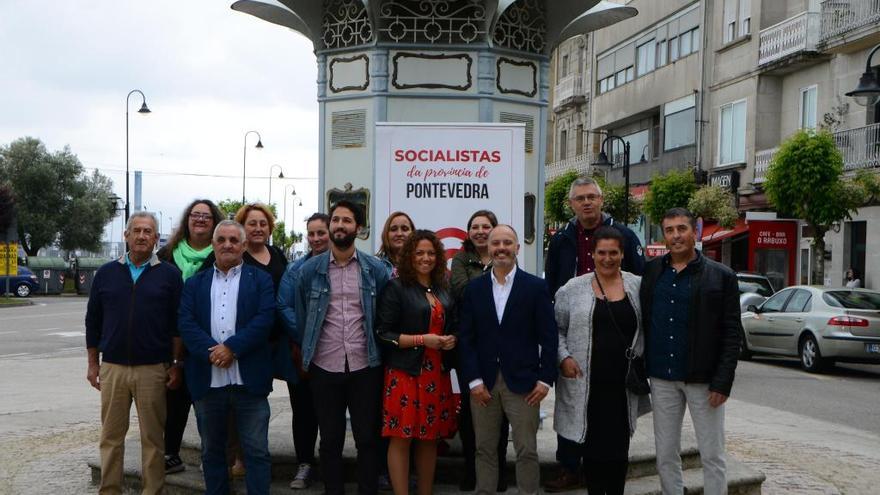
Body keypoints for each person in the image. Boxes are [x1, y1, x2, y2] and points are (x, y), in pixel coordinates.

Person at [282, 200, 392, 495]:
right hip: (324, 366)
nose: (340, 225)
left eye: (347, 220)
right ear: (330, 226)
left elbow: (383, 315)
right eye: (336, 220)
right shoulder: (310, 271)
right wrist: (308, 356)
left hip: (365, 365)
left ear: (358, 228)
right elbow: (303, 317)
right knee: (330, 440)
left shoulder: (375, 269)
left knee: (367, 438)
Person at [544, 177, 645, 492]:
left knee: (614, 449)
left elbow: (645, 314)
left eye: (592, 197)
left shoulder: (628, 245)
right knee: (578, 426)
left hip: (620, 377)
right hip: (579, 359)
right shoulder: (562, 239)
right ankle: (570, 467)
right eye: (580, 198)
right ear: (572, 204)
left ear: (601, 200)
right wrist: (562, 356)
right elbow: (554, 312)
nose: (586, 203)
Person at [640, 208, 741, 495]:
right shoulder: (652, 271)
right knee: (665, 454)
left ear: (694, 231)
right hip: (662, 377)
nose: (675, 235)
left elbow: (732, 333)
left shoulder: (721, 276)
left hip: (705, 381)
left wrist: (723, 381)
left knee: (712, 455)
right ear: (664, 234)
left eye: (681, 228)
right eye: (669, 230)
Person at [85, 212, 184, 495]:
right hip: (113, 367)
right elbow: (93, 322)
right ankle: (110, 490)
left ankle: (152, 491)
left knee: (152, 438)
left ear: (156, 238)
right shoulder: (106, 273)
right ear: (125, 235)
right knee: (111, 437)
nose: (142, 236)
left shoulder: (169, 275)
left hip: (153, 369)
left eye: (148, 231)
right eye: (136, 231)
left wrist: (176, 364)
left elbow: (177, 326)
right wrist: (93, 364)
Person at [458, 225, 557, 495]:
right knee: (485, 449)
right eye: (496, 243)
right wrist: (473, 380)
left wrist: (545, 379)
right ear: (488, 249)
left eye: (507, 242)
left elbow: (549, 338)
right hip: (484, 384)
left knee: (526, 449)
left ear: (516, 248)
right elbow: (466, 340)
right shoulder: (474, 289)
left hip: (524, 383)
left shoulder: (536, 287)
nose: (501, 248)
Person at [178, 220, 276, 494]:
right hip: (208, 383)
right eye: (221, 240)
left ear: (244, 246)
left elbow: (265, 319)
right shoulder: (195, 283)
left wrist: (232, 348)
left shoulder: (261, 280)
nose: (227, 245)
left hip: (250, 382)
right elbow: (186, 323)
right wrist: (212, 352)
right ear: (213, 244)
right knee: (212, 452)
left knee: (256, 452)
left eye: (234, 240)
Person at [376, 230, 459, 495]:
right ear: (410, 256)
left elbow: (452, 324)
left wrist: (451, 339)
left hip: (436, 374)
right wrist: (423, 340)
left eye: (431, 253)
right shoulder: (396, 287)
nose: (426, 258)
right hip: (405, 374)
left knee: (429, 439)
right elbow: (383, 333)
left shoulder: (442, 288)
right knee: (401, 438)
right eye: (419, 253)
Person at [157, 199, 224, 474]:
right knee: (173, 398)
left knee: (207, 403)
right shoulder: (166, 254)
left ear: (214, 222)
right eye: (195, 215)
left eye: (206, 216)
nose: (200, 220)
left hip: (205, 339)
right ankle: (170, 453)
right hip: (169, 336)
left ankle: (213, 459)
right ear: (187, 220)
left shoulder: (220, 253)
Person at [220, 203, 288, 477]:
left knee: (258, 398)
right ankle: (237, 457)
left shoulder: (278, 255)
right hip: (239, 345)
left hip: (272, 341)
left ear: (270, 228)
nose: (258, 228)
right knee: (236, 401)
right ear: (243, 229)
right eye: (252, 223)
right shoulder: (234, 255)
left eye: (263, 223)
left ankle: (255, 454)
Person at [449, 210, 511, 492]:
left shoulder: (505, 256)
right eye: (474, 226)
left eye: (486, 226)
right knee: (471, 408)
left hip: (504, 343)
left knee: (503, 409)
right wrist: (492, 278)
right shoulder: (462, 259)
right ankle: (471, 469)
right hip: (471, 342)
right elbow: (460, 290)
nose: (480, 231)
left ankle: (498, 470)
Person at [277, 212, 330, 489]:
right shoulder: (294, 269)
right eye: (312, 233)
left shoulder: (345, 266)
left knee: (332, 413)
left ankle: (331, 465)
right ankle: (305, 463)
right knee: (304, 411)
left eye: (321, 232)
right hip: (303, 355)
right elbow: (283, 307)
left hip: (337, 354)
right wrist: (309, 337)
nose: (316, 238)